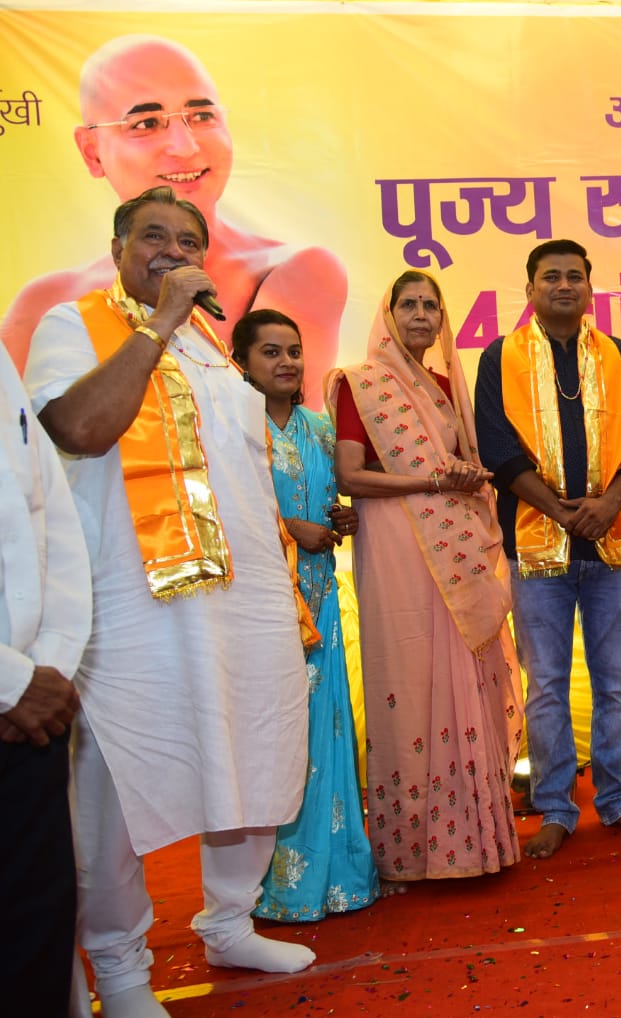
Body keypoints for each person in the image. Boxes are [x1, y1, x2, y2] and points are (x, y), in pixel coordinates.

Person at [26, 186, 315, 1018]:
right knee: (119, 783)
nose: (174, 252)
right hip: (134, 609)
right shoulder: (74, 324)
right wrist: (155, 325)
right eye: (154, 236)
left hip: (243, 602)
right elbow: (77, 429)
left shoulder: (214, 346)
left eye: (190, 242)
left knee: (254, 754)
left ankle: (229, 922)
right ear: (117, 248)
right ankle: (119, 969)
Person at [3, 34, 346, 407]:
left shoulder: (296, 269)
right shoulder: (45, 302)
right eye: (146, 123)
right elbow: (23, 433)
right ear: (92, 152)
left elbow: (274, 425)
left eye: (201, 116)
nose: (185, 147)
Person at [327, 270, 522, 882]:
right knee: (410, 680)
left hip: (453, 544)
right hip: (394, 544)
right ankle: (413, 850)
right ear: (388, 316)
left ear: (442, 319)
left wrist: (461, 477)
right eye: (407, 304)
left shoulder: (445, 388)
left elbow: (464, 467)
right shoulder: (360, 385)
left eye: (430, 306)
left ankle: (477, 841)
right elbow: (351, 477)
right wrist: (435, 480)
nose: (419, 314)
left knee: (466, 670)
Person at [474, 239, 621, 859]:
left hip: (610, 545)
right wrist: (560, 511)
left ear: (589, 287)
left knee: (616, 685)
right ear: (530, 288)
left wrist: (608, 506)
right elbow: (498, 450)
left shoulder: (620, 355)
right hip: (535, 553)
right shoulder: (500, 357)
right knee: (546, 687)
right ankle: (555, 806)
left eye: (574, 276)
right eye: (551, 276)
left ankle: (618, 799)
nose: (564, 285)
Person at [231, 309, 378, 919]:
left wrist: (342, 517)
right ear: (241, 363)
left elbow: (335, 496)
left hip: (319, 599)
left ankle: (338, 872)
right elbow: (224, 511)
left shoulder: (320, 428)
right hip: (263, 603)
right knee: (276, 734)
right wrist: (291, 528)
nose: (287, 361)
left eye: (293, 350)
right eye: (270, 352)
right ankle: (275, 882)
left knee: (327, 725)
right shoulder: (232, 428)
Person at [0, 351, 91, 1017]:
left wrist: (50, 664)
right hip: (17, 691)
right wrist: (9, 682)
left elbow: (48, 512)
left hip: (35, 700)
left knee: (37, 919)